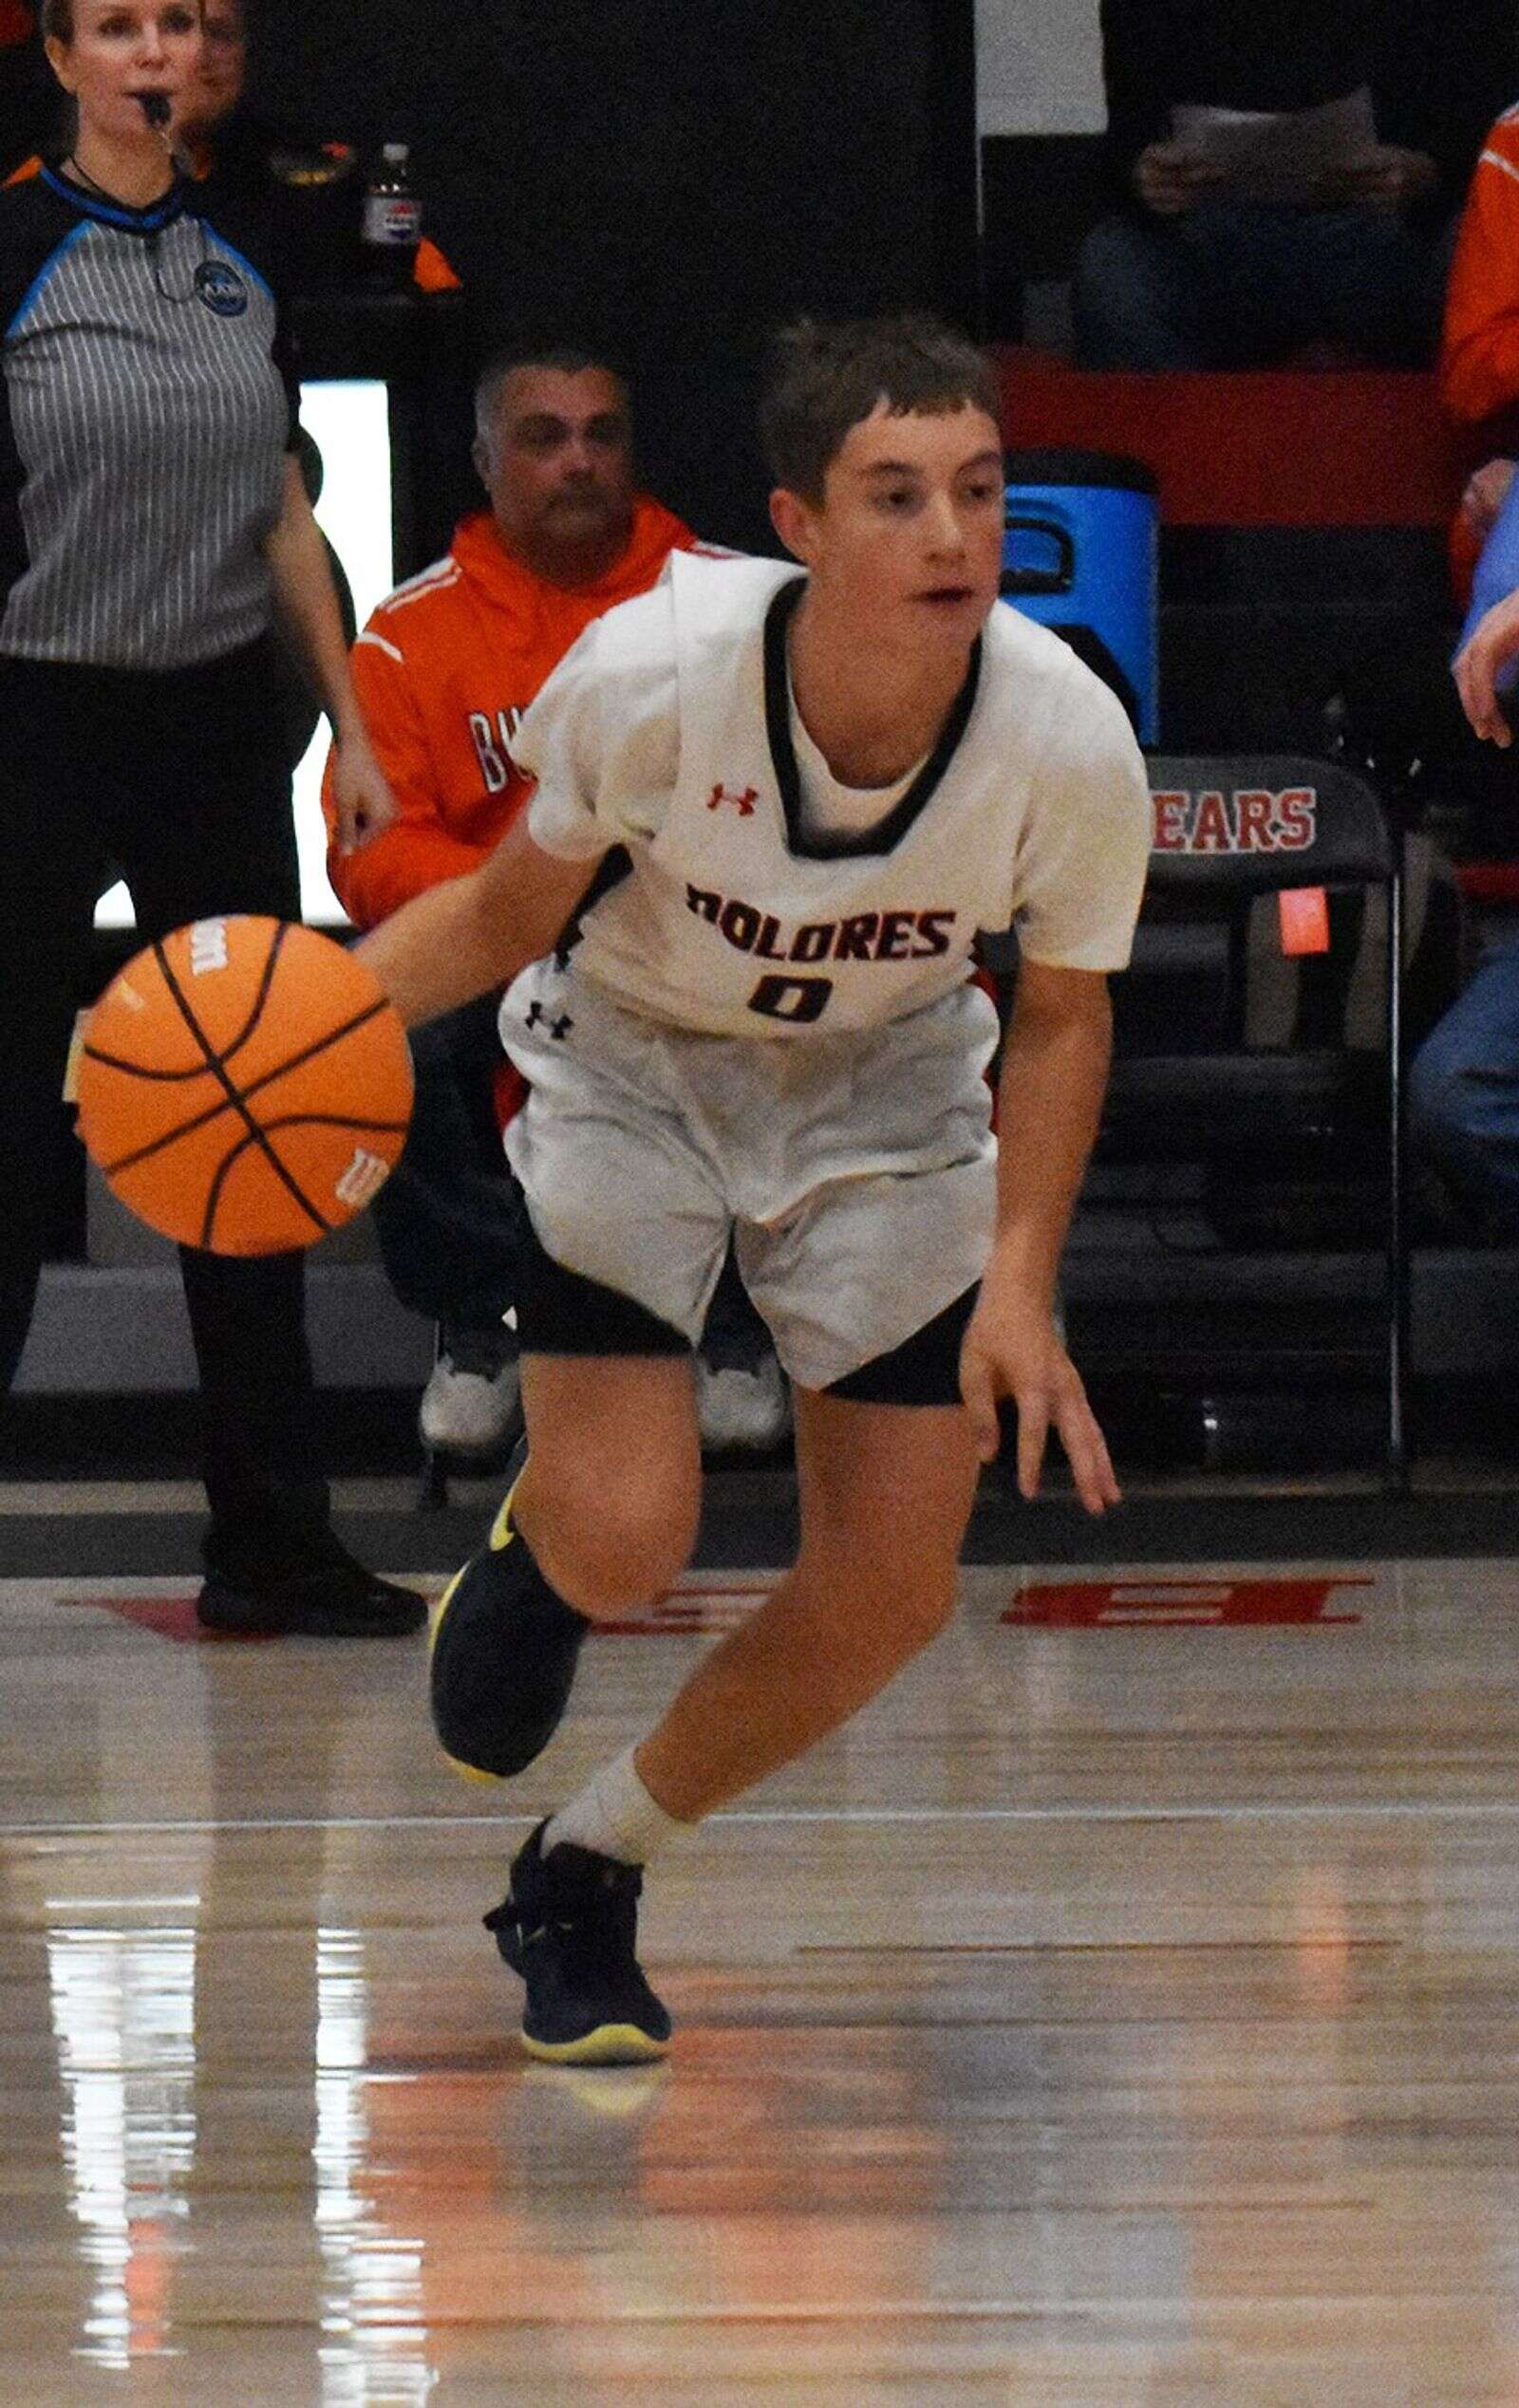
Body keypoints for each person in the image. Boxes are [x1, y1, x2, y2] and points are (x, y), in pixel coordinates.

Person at [356, 313, 1152, 2063]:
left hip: (887, 1092)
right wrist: (303, 1032)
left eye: (978, 490)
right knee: (633, 1534)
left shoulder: (1069, 734)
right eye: (897, 495)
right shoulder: (653, 672)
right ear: (798, 523)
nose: (951, 534)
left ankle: (586, 1864)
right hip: (637, 1062)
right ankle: (550, 1558)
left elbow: (1065, 1016)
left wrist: (1024, 1286)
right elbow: (504, 916)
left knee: (893, 1590)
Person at [0, 0, 423, 1638]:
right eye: (116, 25)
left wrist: (354, 724)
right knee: (10, 1135)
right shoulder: (16, 246)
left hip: (209, 724)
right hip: (37, 713)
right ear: (61, 61)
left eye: (174, 21)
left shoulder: (246, 251)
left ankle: (270, 1540)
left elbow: (284, 511)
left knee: (249, 1119)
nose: (152, 50)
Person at [323, 343, 790, 1460]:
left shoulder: (739, 603)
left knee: (783, 1010)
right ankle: (486, 1318)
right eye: (544, 438)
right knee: (372, 1027)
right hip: (505, 947)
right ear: (487, 462)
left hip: (698, 936)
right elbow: (369, 853)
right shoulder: (407, 634)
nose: (578, 461)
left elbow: (804, 804)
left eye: (600, 435)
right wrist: (525, 901)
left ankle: (735, 1325)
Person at [1074, 0, 1507, 370]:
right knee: (1112, 268)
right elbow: (1127, 137)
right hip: (1208, 237)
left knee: (1482, 252)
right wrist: (1145, 175)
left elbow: (1492, 127)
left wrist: (1427, 171)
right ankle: (1169, 443)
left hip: (1394, 236)